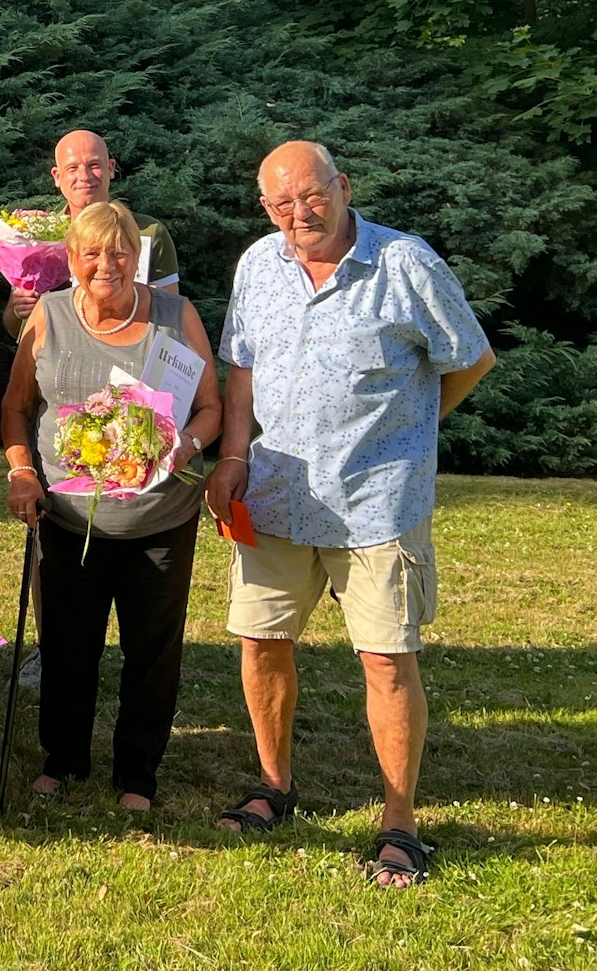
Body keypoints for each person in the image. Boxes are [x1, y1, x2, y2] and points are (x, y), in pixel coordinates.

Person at [208, 141, 495, 888]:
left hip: (377, 501)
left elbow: (471, 357)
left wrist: (410, 429)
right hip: (275, 493)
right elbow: (241, 369)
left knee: (386, 659)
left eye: (313, 195)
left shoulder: (405, 263)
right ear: (265, 208)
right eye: (282, 203)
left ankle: (400, 822)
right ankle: (274, 785)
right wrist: (233, 456)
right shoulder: (257, 265)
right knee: (261, 642)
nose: (300, 213)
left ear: (343, 187)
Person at [0, 203, 221, 810]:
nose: (107, 265)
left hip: (160, 518)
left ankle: (137, 773)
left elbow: (210, 407)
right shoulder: (48, 315)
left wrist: (186, 445)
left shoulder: (176, 317)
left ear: (136, 257)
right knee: (68, 647)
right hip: (68, 518)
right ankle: (63, 758)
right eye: (92, 253)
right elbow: (16, 407)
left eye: (119, 252)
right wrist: (22, 472)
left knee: (153, 651)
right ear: (72, 260)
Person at [0, 129, 181, 337]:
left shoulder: (147, 232)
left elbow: (170, 318)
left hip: (128, 349)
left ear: (110, 168)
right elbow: (14, 329)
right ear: (57, 176)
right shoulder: (36, 238)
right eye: (72, 168)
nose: (84, 176)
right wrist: (18, 310)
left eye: (94, 165)